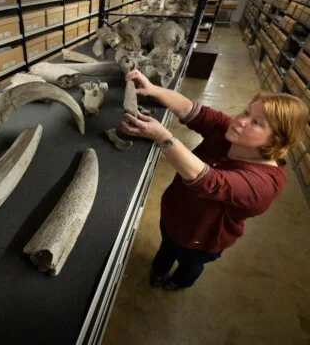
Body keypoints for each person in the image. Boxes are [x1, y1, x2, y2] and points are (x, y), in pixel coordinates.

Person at [120, 69, 309, 291]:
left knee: (189, 264)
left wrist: (162, 136)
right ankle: (159, 271)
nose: (240, 121)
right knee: (166, 248)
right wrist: (153, 89)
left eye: (256, 122)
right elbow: (193, 110)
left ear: (276, 140)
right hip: (174, 215)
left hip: (201, 240)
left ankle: (179, 282)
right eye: (246, 112)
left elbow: (210, 181)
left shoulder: (263, 184)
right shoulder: (233, 133)